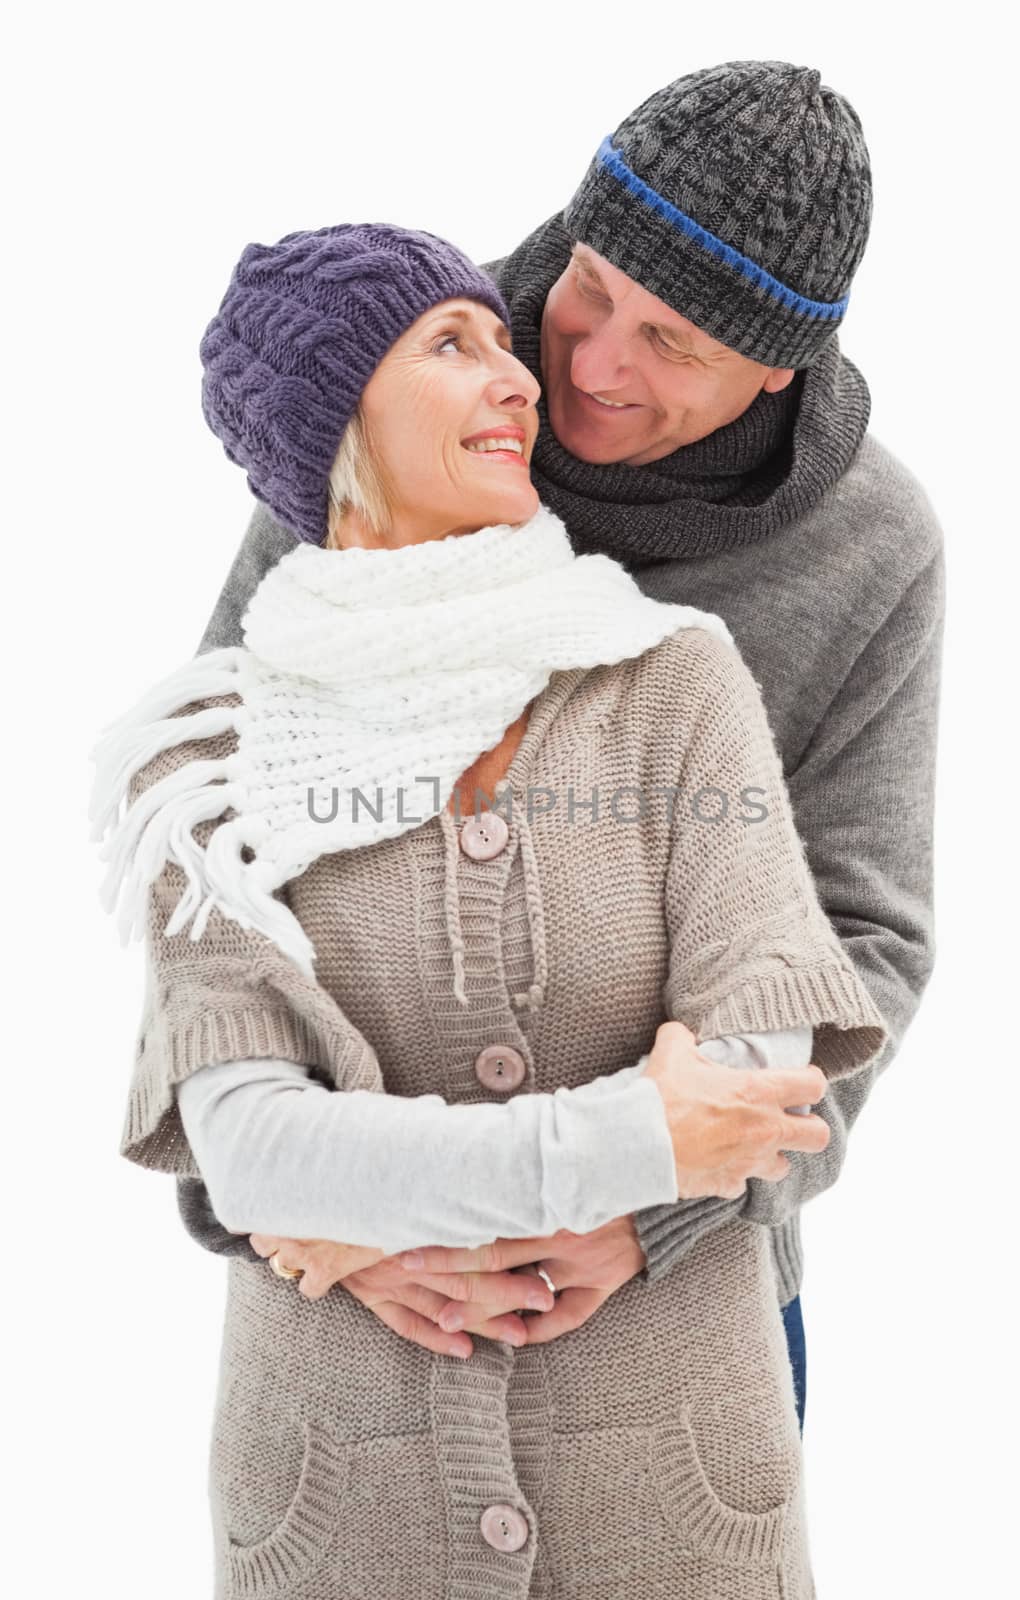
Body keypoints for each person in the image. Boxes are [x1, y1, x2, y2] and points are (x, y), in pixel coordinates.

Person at [90, 220, 887, 1596]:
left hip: (670, 1490)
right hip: (348, 1494)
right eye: (453, 349)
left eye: (502, 344)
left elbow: (765, 1067)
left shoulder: (672, 681)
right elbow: (252, 1144)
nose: (521, 379)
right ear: (339, 425)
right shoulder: (205, 759)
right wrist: (636, 1137)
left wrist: (391, 1185)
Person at [179, 58, 946, 1432]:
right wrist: (289, 1206)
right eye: (595, 285)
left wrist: (654, 1213)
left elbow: (862, 932)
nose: (588, 363)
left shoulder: (871, 549)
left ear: (780, 363)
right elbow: (210, 825)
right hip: (359, 1270)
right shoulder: (410, 384)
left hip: (677, 1283)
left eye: (674, 342)